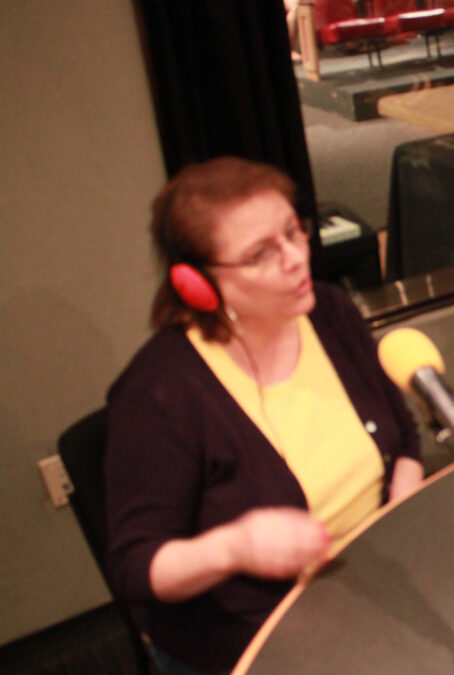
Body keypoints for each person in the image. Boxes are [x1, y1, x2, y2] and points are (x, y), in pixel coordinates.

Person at [105, 157, 423, 674]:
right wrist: (235, 547)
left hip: (374, 589)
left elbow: (404, 440)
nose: (297, 258)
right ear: (196, 284)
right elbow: (137, 567)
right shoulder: (160, 393)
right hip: (257, 640)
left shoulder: (329, 310)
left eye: (293, 233)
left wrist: (402, 522)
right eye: (262, 254)